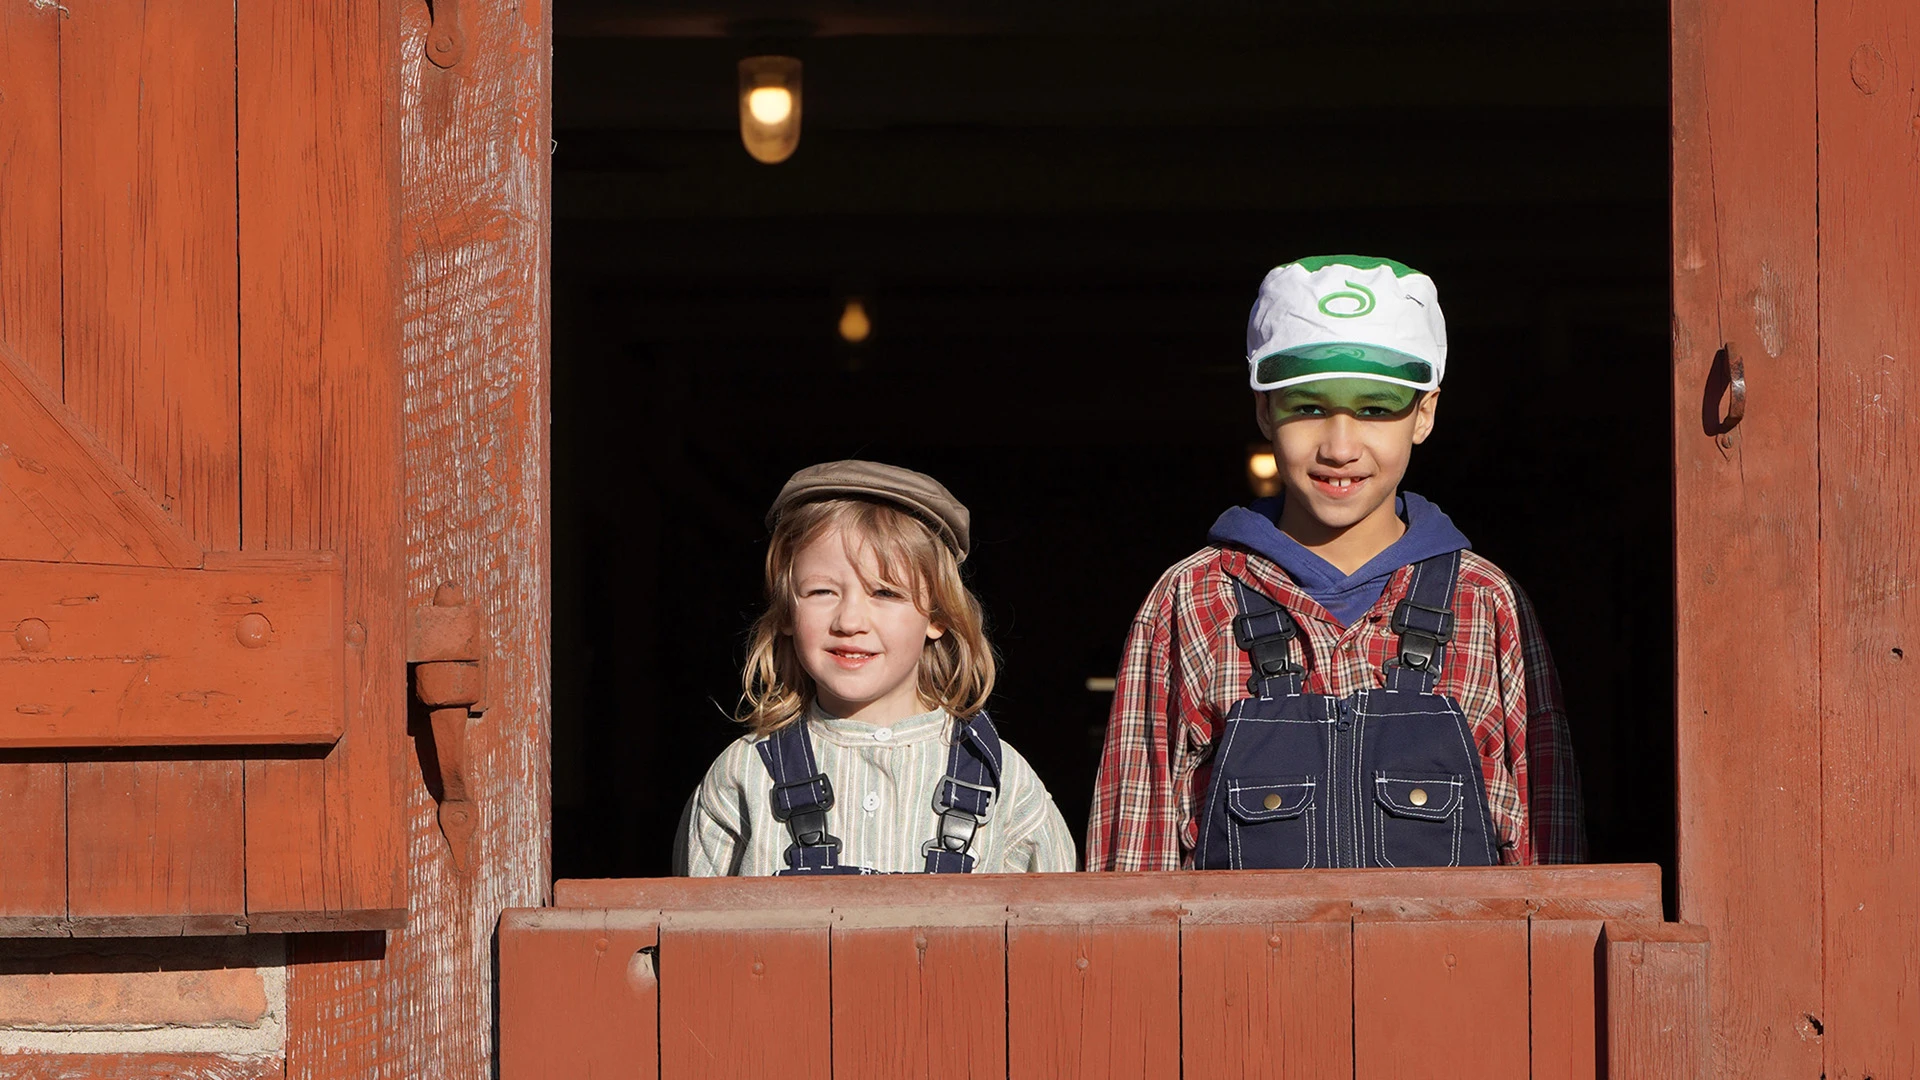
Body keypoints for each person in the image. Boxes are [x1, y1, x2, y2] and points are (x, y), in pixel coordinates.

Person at [1086, 255, 1586, 871]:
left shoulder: (1487, 603)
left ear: (1424, 414)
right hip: (1246, 971)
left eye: (1376, 409)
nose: (1340, 447)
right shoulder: (1190, 600)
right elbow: (1129, 871)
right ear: (1265, 410)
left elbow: (1554, 869)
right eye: (1308, 407)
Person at [685, 460, 1076, 876]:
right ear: (785, 611)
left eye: (885, 592)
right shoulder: (741, 776)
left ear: (937, 615)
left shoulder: (1007, 785)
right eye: (821, 591)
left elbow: (1061, 933)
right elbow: (689, 935)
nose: (850, 621)